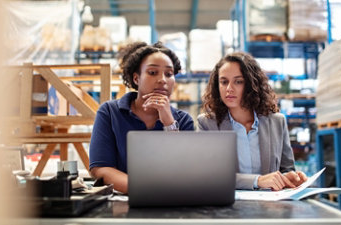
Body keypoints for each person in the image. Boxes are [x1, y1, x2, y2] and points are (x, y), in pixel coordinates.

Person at [89, 42, 194, 194]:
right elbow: (100, 168)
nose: (162, 80)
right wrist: (145, 190)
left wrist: (169, 124)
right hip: (124, 203)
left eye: (169, 74)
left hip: (171, 203)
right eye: (152, 72)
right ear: (136, 78)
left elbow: (184, 171)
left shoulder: (183, 121)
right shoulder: (109, 112)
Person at [197, 52, 307, 191]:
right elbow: (209, 176)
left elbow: (286, 168)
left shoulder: (277, 122)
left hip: (269, 207)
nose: (229, 88)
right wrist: (258, 181)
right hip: (228, 207)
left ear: (251, 84)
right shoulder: (207, 124)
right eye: (224, 82)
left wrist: (290, 178)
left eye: (238, 81)